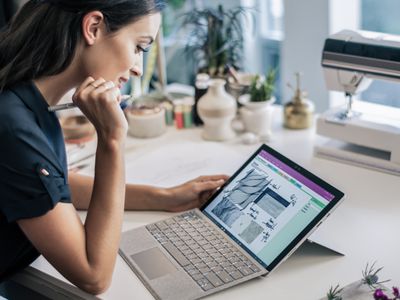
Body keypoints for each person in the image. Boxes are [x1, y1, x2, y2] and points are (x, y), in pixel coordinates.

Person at [0, 0, 228, 295]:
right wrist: (111, 140)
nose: (137, 68)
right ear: (93, 27)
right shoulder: (13, 126)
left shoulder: (24, 97)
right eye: (138, 47)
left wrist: (164, 196)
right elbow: (93, 274)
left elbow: (49, 186)